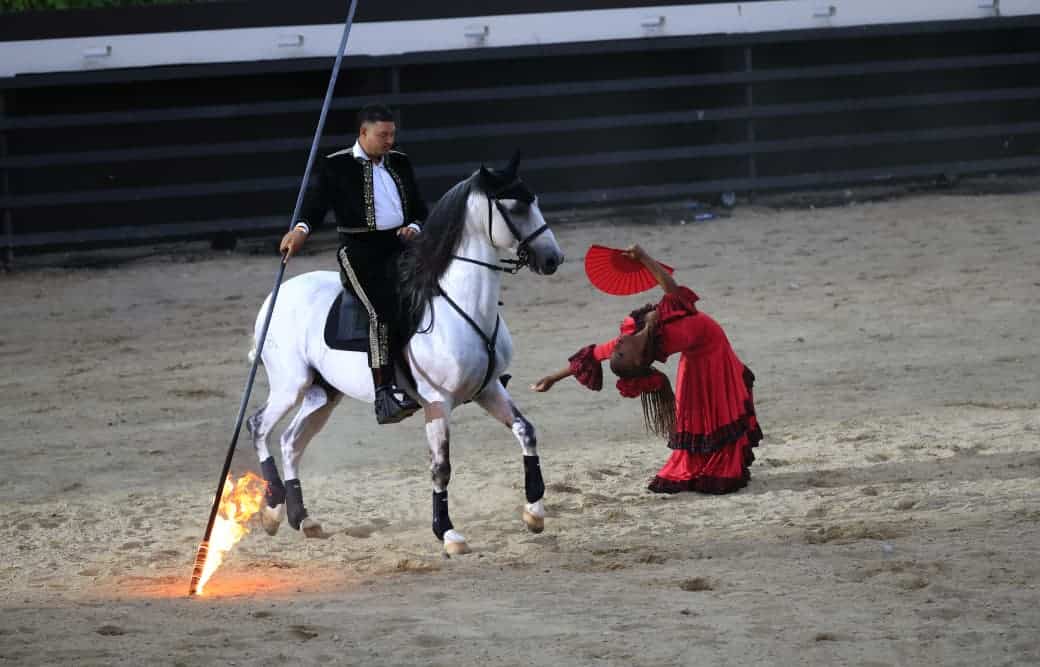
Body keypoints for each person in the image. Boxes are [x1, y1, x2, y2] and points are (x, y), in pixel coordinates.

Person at [532, 244, 762, 494]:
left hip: (713, 346)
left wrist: (553, 377)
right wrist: (644, 257)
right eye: (621, 352)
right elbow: (672, 290)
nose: (618, 344)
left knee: (713, 411)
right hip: (707, 354)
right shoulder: (667, 338)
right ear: (638, 360)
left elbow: (595, 354)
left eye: (617, 349)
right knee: (701, 413)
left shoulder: (632, 335)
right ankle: (706, 465)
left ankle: (715, 462)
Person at [280, 103, 428, 424]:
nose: (390, 141)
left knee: (439, 293)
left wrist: (414, 227)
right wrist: (300, 231)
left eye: (392, 134)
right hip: (361, 252)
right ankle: (384, 393)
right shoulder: (336, 165)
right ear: (363, 132)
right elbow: (316, 205)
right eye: (383, 135)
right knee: (380, 310)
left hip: (402, 248)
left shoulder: (400, 161)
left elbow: (420, 208)